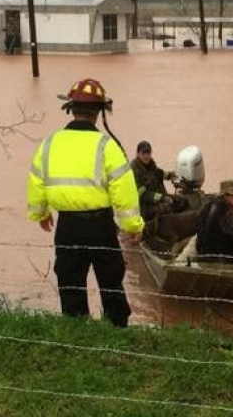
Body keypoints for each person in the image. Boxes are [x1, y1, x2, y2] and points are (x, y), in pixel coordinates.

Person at [26, 77, 143, 327]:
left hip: (67, 226)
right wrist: (133, 226)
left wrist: (41, 213)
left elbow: (36, 180)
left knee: (70, 281)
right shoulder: (107, 146)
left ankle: (76, 330)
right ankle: (117, 330)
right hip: (100, 225)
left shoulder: (50, 143)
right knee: (111, 280)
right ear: (99, 113)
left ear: (71, 109)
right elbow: (124, 191)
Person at [195, 180, 233, 261]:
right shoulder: (227, 215)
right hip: (224, 263)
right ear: (224, 196)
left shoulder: (208, 206)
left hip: (204, 257)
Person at [130, 140, 178, 221]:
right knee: (168, 207)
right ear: (138, 154)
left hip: (156, 200)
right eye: (143, 153)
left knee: (178, 200)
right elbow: (142, 194)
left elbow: (158, 173)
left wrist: (171, 176)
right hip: (143, 207)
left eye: (148, 153)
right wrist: (162, 198)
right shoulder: (134, 169)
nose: (146, 156)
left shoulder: (150, 164)